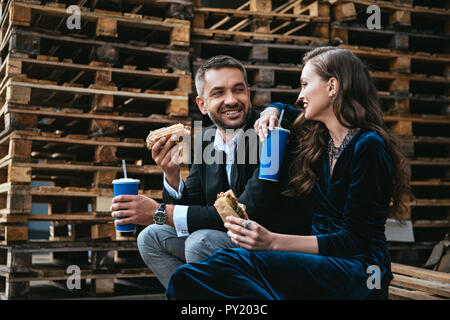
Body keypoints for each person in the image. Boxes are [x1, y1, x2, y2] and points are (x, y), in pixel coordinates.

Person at [165, 47, 411, 299]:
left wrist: (272, 241)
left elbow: (354, 241)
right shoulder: (321, 136)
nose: (300, 95)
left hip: (359, 270)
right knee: (212, 271)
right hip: (320, 261)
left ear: (332, 86)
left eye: (305, 84)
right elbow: (283, 108)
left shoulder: (368, 146)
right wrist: (273, 109)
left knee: (206, 274)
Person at [110, 55, 312, 288]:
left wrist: (159, 211)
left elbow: (247, 213)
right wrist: (172, 175)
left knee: (200, 242)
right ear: (202, 104)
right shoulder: (206, 138)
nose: (231, 100)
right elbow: (194, 203)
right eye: (218, 93)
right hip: (232, 240)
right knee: (151, 237)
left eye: (238, 90)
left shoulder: (271, 134)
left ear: (248, 92)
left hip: (272, 247)